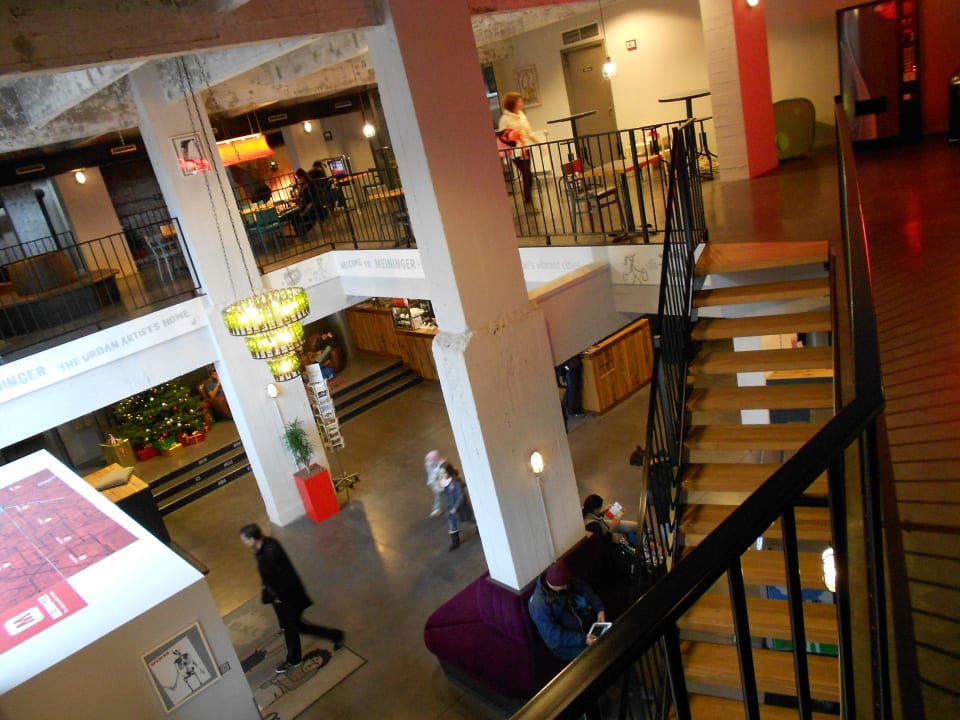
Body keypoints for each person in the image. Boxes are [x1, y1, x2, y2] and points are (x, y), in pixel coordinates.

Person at [239, 523, 345, 673]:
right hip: (278, 596)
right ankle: (332, 637)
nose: (244, 542)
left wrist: (280, 597)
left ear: (252, 539)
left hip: (288, 597)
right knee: (291, 626)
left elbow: (285, 577)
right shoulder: (262, 547)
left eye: (245, 539)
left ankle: (297, 657)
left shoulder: (271, 551)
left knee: (295, 627)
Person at [528, 559, 606, 661]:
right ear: (554, 585)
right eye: (563, 586)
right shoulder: (539, 605)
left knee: (606, 640)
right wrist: (583, 639)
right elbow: (554, 635)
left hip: (578, 624)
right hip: (561, 644)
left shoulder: (562, 578)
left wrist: (600, 609)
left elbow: (583, 588)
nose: (566, 587)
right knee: (595, 655)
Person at [497, 91, 539, 214]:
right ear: (513, 103)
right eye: (519, 101)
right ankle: (528, 203)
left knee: (528, 176)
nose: (521, 103)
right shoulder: (505, 119)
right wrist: (514, 138)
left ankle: (528, 201)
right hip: (515, 152)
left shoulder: (522, 116)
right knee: (527, 174)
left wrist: (539, 144)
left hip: (526, 149)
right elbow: (502, 136)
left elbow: (529, 132)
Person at [439, 461, 473, 551]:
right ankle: (455, 542)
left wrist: (455, 507)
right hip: (450, 508)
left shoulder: (455, 482)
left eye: (443, 473)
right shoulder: (444, 482)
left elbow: (461, 496)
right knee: (451, 523)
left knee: (468, 519)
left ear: (449, 472)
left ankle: (478, 525)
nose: (442, 475)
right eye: (441, 473)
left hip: (459, 508)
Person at [424, 450, 446, 518]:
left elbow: (442, 474)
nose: (429, 462)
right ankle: (437, 509)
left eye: (431, 460)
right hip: (437, 485)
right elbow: (430, 474)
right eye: (428, 461)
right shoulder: (429, 465)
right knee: (438, 495)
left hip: (443, 483)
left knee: (443, 495)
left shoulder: (441, 464)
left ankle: (438, 508)